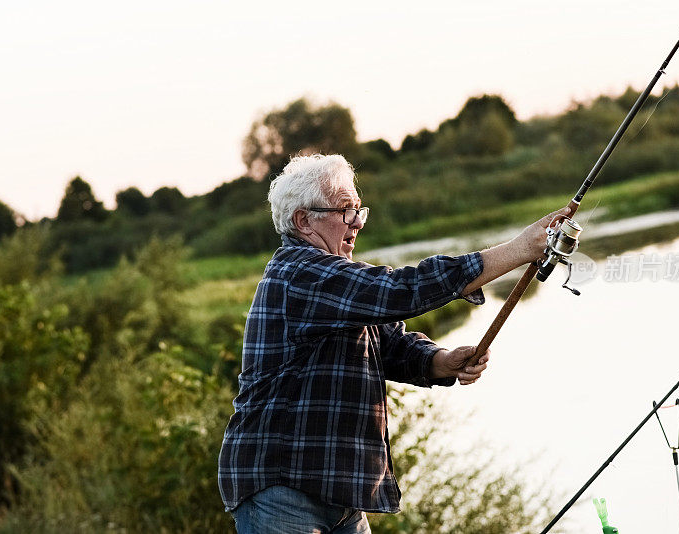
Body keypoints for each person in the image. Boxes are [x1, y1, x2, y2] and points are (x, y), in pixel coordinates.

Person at [218, 154, 571, 533]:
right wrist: (518, 250)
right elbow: (404, 289)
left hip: (337, 492)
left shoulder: (334, 276)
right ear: (303, 221)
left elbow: (388, 343)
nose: (356, 222)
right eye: (343, 210)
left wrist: (441, 361)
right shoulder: (300, 274)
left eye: (358, 209)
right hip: (283, 488)